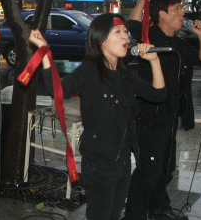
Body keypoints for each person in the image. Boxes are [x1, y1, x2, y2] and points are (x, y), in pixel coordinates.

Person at [29, 13, 166, 220]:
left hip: (123, 163)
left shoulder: (125, 74)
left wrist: (154, 61)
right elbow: (58, 89)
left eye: (126, 32)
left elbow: (158, 95)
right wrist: (46, 53)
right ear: (101, 40)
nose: (126, 37)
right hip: (99, 164)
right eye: (118, 32)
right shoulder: (89, 70)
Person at [124, 0, 201, 220]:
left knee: (166, 166)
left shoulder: (179, 44)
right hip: (150, 114)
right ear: (162, 14)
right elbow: (131, 24)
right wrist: (143, 0)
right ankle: (134, 214)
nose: (182, 14)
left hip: (171, 115)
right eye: (176, 9)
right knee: (148, 168)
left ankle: (159, 208)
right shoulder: (149, 36)